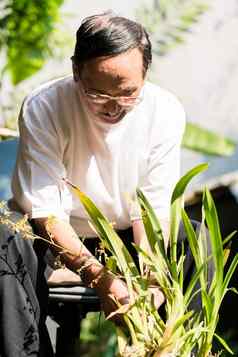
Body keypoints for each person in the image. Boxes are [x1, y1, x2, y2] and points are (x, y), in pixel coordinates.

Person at [0, 11, 187, 356]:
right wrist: (99, 277)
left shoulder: (165, 111)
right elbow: (47, 213)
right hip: (52, 239)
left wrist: (151, 278)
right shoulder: (45, 107)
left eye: (129, 94)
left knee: (197, 236)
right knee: (5, 238)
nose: (113, 108)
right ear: (76, 70)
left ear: (145, 74)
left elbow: (150, 209)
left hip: (128, 238)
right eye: (97, 94)